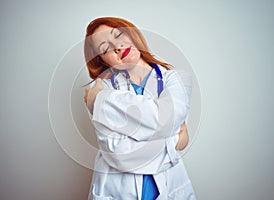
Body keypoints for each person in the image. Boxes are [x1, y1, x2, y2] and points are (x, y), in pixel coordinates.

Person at [83, 17, 196, 200]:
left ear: (132, 34)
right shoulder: (102, 89)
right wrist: (170, 140)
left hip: (170, 188)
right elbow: (119, 153)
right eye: (106, 49)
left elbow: (168, 121)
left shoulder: (176, 80)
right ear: (103, 61)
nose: (117, 47)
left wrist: (102, 101)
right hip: (117, 192)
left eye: (118, 35)